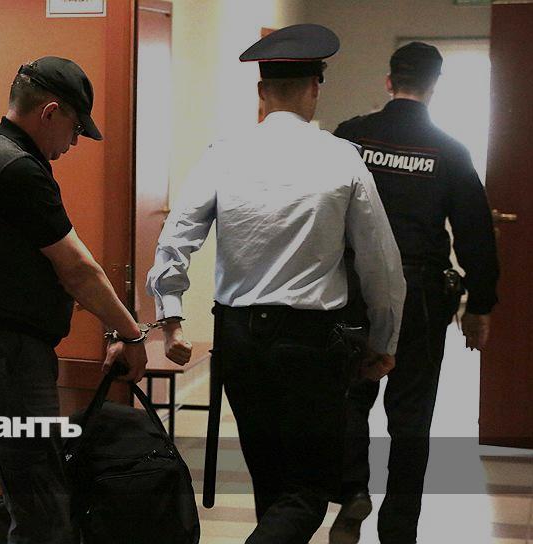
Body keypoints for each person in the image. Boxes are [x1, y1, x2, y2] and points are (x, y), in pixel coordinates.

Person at [147, 24, 406, 544]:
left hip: (239, 341)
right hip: (310, 344)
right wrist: (384, 340)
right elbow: (381, 264)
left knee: (271, 484)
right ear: (315, 88)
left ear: (261, 91)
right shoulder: (342, 157)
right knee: (307, 492)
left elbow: (177, 234)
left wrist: (171, 315)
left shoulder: (223, 153)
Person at [0, 56, 151, 543]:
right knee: (42, 514)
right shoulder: (16, 167)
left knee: (22, 499)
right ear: (50, 112)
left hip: (3, 352)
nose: (74, 142)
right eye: (76, 128)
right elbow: (78, 268)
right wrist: (131, 334)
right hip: (6, 355)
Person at [330, 42, 500, 544]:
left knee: (350, 396)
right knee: (412, 417)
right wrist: (480, 304)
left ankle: (352, 490)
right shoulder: (449, 150)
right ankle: (399, 528)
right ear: (434, 86)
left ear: (389, 81)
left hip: (354, 290)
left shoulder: (351, 137)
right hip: (420, 294)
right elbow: (474, 232)